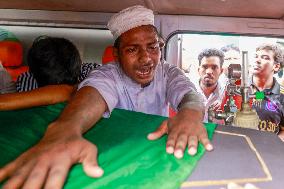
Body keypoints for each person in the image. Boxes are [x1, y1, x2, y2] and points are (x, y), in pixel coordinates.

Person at [0, 5, 213, 189]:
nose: (146, 58)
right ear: (117, 54)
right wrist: (63, 131)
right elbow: (91, 95)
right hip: (114, 154)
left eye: (153, 47)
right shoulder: (107, 75)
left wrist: (190, 114)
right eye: (132, 49)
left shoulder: (167, 72)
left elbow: (189, 94)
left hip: (156, 153)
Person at [220, 43, 284, 141]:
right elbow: (221, 120)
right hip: (235, 147)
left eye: (265, 57)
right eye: (256, 56)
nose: (257, 60)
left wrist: (273, 145)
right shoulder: (234, 87)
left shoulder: (281, 96)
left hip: (266, 152)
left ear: (276, 66)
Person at [196, 48, 225, 123]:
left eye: (214, 67)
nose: (209, 71)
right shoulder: (186, 91)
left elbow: (258, 95)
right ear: (198, 70)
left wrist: (225, 102)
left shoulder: (228, 92)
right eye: (205, 67)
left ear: (221, 71)